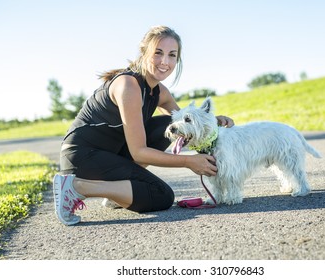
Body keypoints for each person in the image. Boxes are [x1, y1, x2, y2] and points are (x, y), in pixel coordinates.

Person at [53, 25, 234, 226]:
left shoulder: (160, 92)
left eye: (172, 55)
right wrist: (188, 161)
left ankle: (116, 193)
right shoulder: (128, 86)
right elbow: (139, 152)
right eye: (158, 53)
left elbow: (185, 124)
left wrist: (212, 120)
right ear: (144, 53)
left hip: (109, 154)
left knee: (170, 123)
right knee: (161, 195)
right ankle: (76, 187)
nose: (165, 61)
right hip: (83, 157)